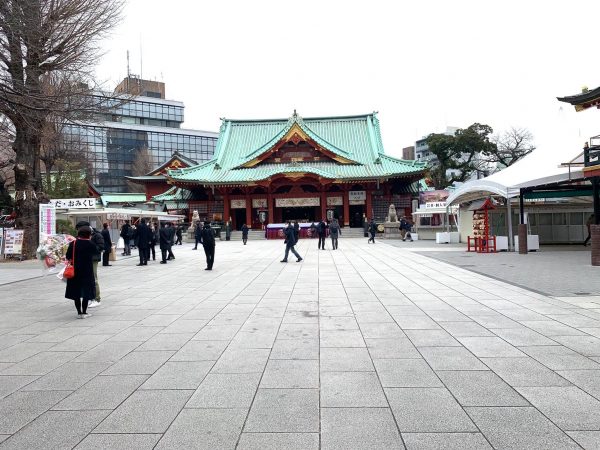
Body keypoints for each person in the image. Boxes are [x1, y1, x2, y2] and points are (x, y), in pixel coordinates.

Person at [65, 226, 99, 318]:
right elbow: (96, 252)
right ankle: (84, 312)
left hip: (75, 271)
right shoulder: (90, 244)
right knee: (86, 292)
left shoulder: (73, 243)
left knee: (76, 292)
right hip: (87, 271)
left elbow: (68, 256)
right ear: (88, 234)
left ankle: (79, 312)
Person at [76, 221, 104, 308]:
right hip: (83, 259)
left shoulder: (97, 235)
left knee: (93, 278)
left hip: (93, 259)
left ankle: (96, 298)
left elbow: (101, 247)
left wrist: (89, 246)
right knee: (85, 279)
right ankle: (88, 297)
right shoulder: (80, 236)